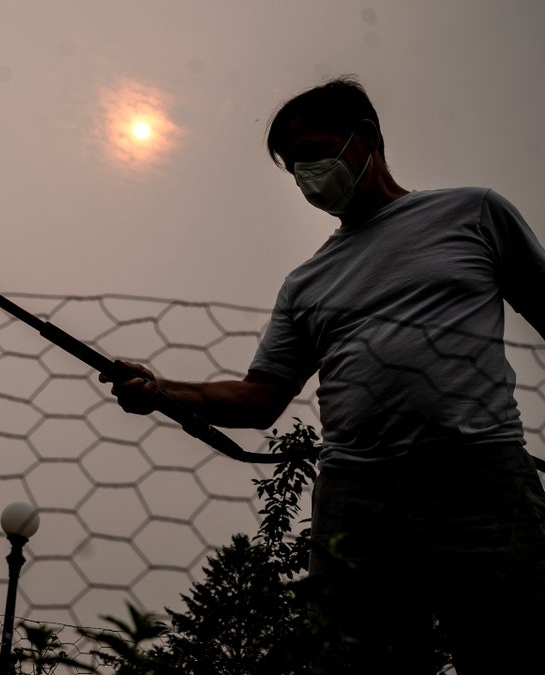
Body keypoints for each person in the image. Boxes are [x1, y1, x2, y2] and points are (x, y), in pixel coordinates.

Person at [101, 76, 545, 674]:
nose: (308, 173)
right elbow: (260, 399)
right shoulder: (306, 282)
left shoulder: (473, 212)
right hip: (357, 497)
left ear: (366, 137)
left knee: (511, 646)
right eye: (294, 165)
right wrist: (161, 391)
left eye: (315, 152)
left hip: (481, 475)